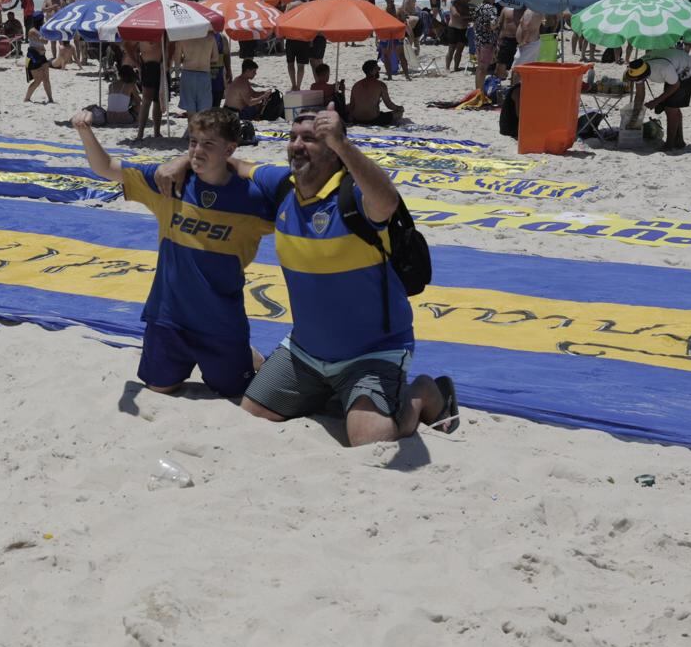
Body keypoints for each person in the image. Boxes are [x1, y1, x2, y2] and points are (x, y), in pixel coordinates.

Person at [232, 109, 456, 442]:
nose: (297, 145)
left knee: (369, 439)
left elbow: (387, 200)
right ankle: (330, 390)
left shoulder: (354, 196)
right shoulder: (282, 185)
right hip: (306, 350)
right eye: (293, 137)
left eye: (310, 139)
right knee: (253, 415)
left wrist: (343, 143)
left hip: (373, 352)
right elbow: (236, 165)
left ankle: (424, 392)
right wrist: (181, 163)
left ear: (334, 150)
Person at [72, 105, 273, 398]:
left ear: (230, 149)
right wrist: (85, 132)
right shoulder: (169, 183)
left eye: (208, 144)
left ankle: (248, 354)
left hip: (220, 320)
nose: (197, 151)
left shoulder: (252, 198)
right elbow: (107, 169)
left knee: (234, 392)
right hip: (169, 316)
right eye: (192, 142)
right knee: (159, 389)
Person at [626, 50, 691, 152]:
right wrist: (635, 115)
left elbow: (675, 85)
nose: (637, 81)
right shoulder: (638, 68)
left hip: (686, 68)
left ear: (645, 75)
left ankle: (669, 145)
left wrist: (656, 101)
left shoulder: (663, 68)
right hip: (673, 67)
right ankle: (679, 141)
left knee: (670, 108)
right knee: (673, 107)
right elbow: (640, 94)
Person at [172, 32, 218, 114]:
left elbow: (177, 60)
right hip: (204, 73)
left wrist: (176, 76)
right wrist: (205, 60)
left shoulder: (182, 37)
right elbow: (215, 58)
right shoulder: (210, 37)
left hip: (187, 74)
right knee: (204, 110)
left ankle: (192, 126)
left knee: (190, 110)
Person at [347, 60, 404, 125]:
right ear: (372, 71)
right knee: (399, 113)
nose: (379, 71)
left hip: (357, 119)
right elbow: (389, 105)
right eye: (377, 68)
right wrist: (398, 108)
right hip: (374, 119)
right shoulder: (381, 85)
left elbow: (352, 105)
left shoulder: (356, 85)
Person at [468, 0, 500, 92]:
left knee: (480, 67)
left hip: (478, 40)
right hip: (487, 41)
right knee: (483, 68)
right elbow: (492, 25)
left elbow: (475, 24)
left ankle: (477, 90)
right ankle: (480, 92)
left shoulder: (478, 7)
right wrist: (498, 23)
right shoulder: (491, 9)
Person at [22, 13, 53, 104]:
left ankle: (50, 99)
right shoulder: (32, 31)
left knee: (46, 78)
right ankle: (27, 98)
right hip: (33, 57)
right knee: (38, 80)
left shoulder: (41, 30)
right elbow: (45, 41)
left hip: (42, 56)